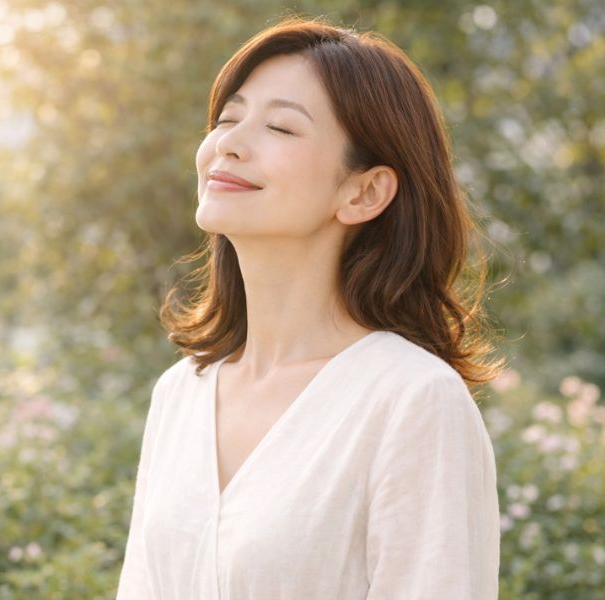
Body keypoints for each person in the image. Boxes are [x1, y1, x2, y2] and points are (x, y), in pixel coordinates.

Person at [117, 15, 504, 600]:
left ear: (364, 191)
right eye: (226, 119)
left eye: (280, 127)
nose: (228, 143)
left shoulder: (413, 400)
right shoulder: (181, 392)